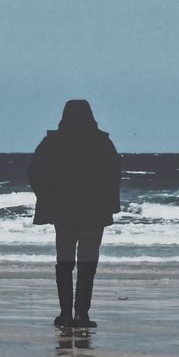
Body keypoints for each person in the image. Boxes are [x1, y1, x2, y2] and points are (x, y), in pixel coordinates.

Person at [27, 100, 121, 329]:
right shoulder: (102, 142)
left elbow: (34, 172)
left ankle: (65, 314)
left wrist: (47, 198)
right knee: (88, 264)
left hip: (63, 212)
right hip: (93, 212)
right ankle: (81, 314)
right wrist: (107, 202)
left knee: (65, 263)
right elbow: (114, 175)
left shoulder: (52, 142)